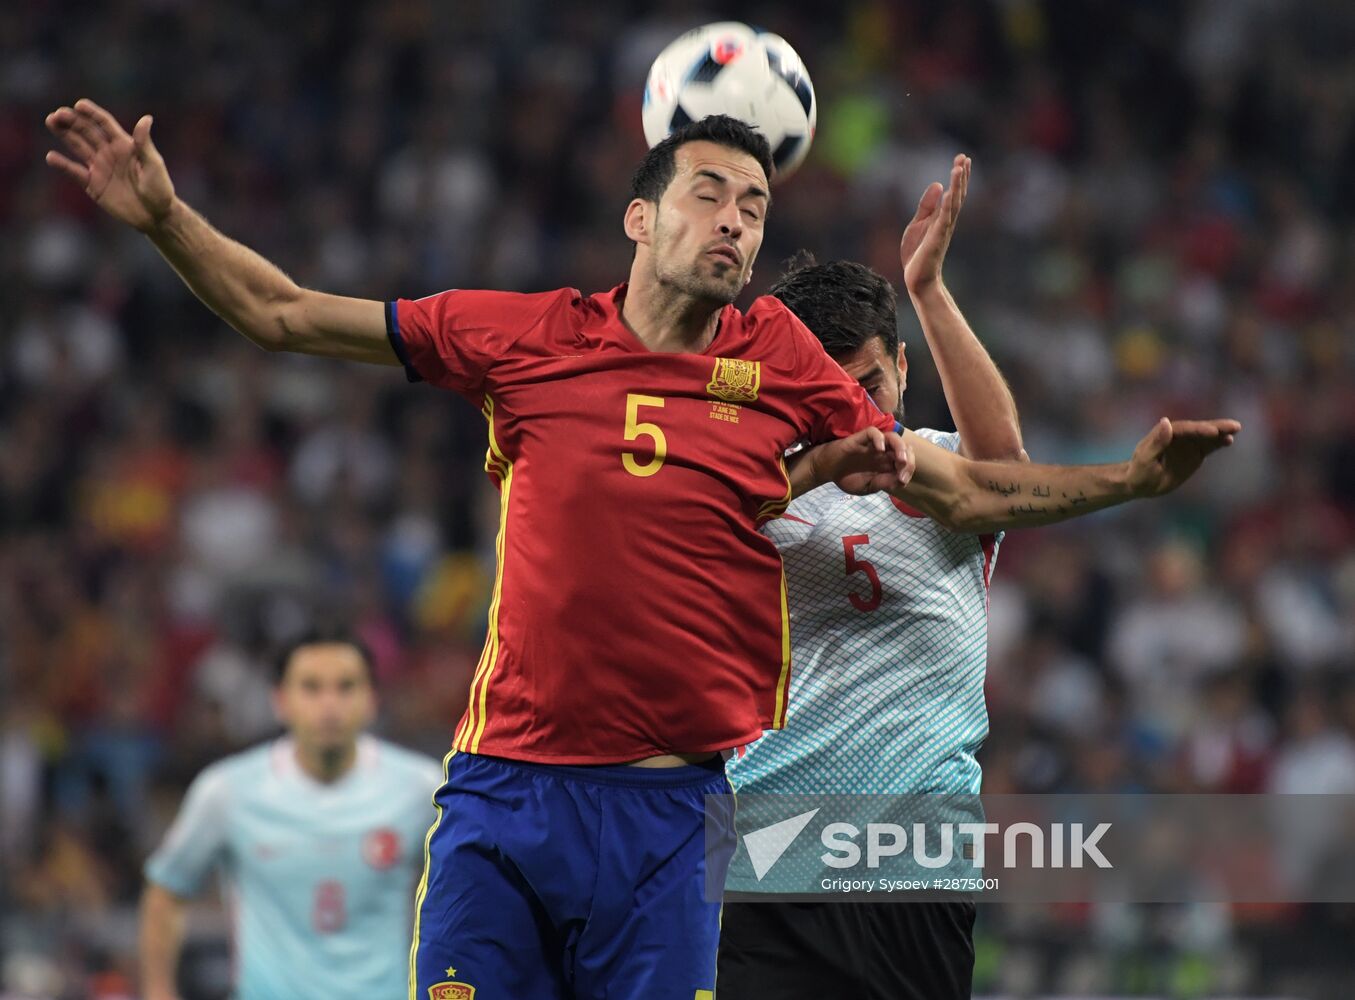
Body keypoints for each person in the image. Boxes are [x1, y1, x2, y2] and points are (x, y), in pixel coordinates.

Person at [47, 100, 1237, 1000]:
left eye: (755, 206)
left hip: (674, 820)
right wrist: (163, 216)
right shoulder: (520, 338)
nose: (733, 220)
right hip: (504, 793)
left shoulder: (780, 361)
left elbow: (967, 480)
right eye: (709, 194)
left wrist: (1129, 480)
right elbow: (284, 313)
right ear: (640, 215)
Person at [717, 157, 1014, 999]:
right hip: (758, 856)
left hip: (912, 865)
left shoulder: (940, 474)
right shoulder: (748, 483)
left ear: (903, 373)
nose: (856, 413)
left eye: (871, 387)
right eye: (828, 392)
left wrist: (928, 289)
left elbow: (1008, 468)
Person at [139, 630, 443, 1000]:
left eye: (346, 687)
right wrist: (159, 991)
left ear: (372, 700)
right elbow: (166, 890)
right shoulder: (229, 792)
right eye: (311, 688)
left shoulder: (421, 790)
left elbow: (474, 892)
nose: (329, 705)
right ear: (280, 701)